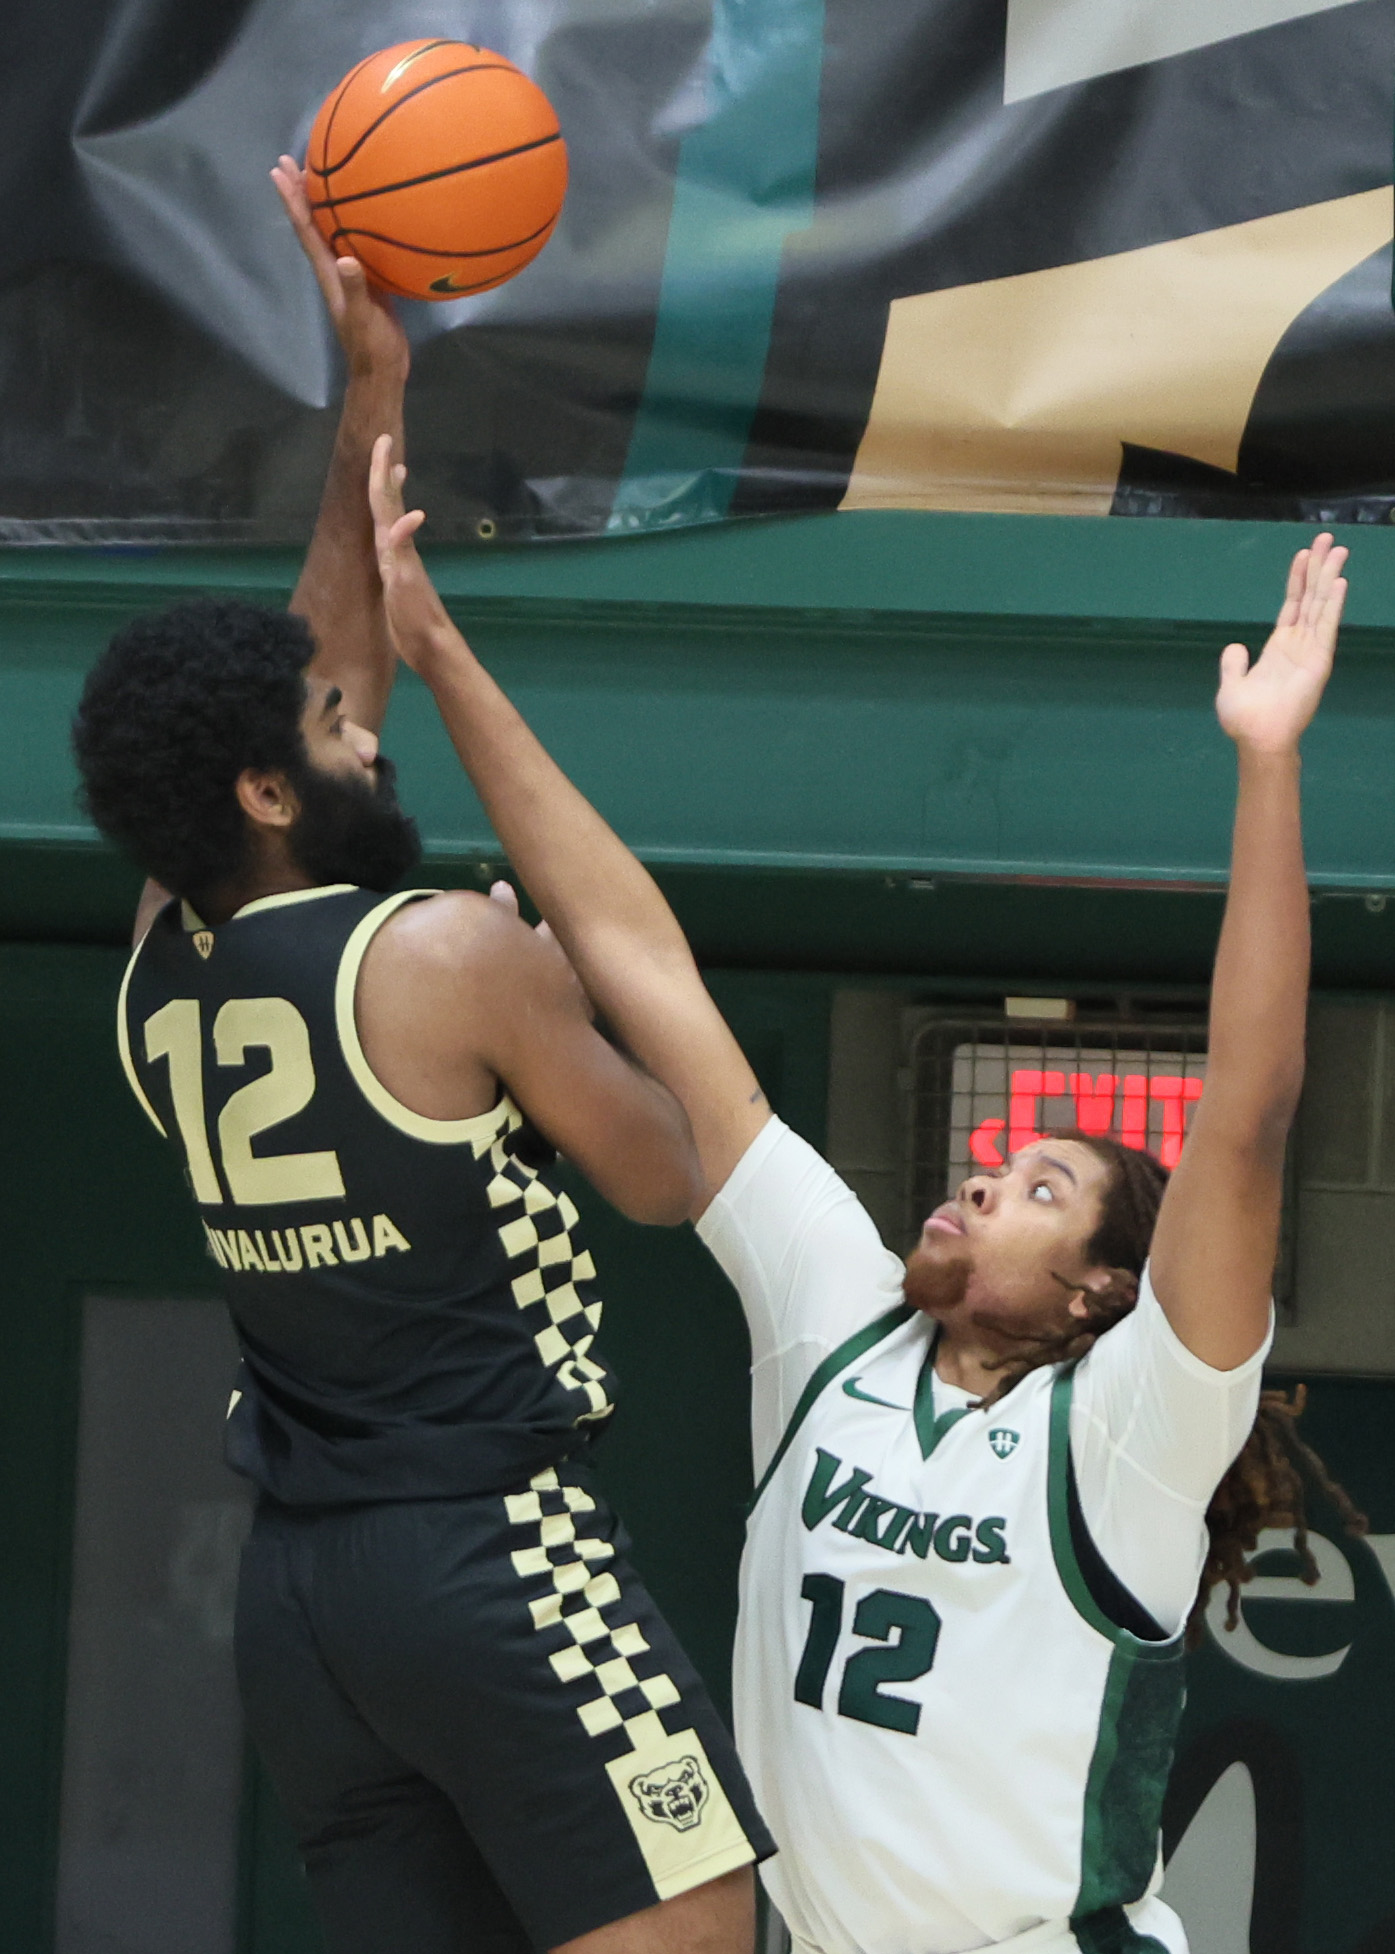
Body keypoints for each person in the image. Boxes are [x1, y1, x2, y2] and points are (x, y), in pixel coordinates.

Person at [365, 437, 1363, 1954]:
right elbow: (639, 955)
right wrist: (435, 650)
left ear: (1103, 1289)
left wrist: (1269, 764)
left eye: (1041, 1185)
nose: (980, 1176)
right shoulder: (834, 1309)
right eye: (996, 1160)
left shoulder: (1133, 1431)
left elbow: (1246, 1117)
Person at [71, 165, 771, 1954]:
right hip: (493, 1554)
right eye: (327, 734)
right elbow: (678, 1166)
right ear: (262, 788)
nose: (361, 737)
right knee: (697, 1928)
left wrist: (371, 391)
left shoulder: (162, 967)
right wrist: (563, 978)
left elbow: (306, 653)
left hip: (304, 1600)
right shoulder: (446, 953)